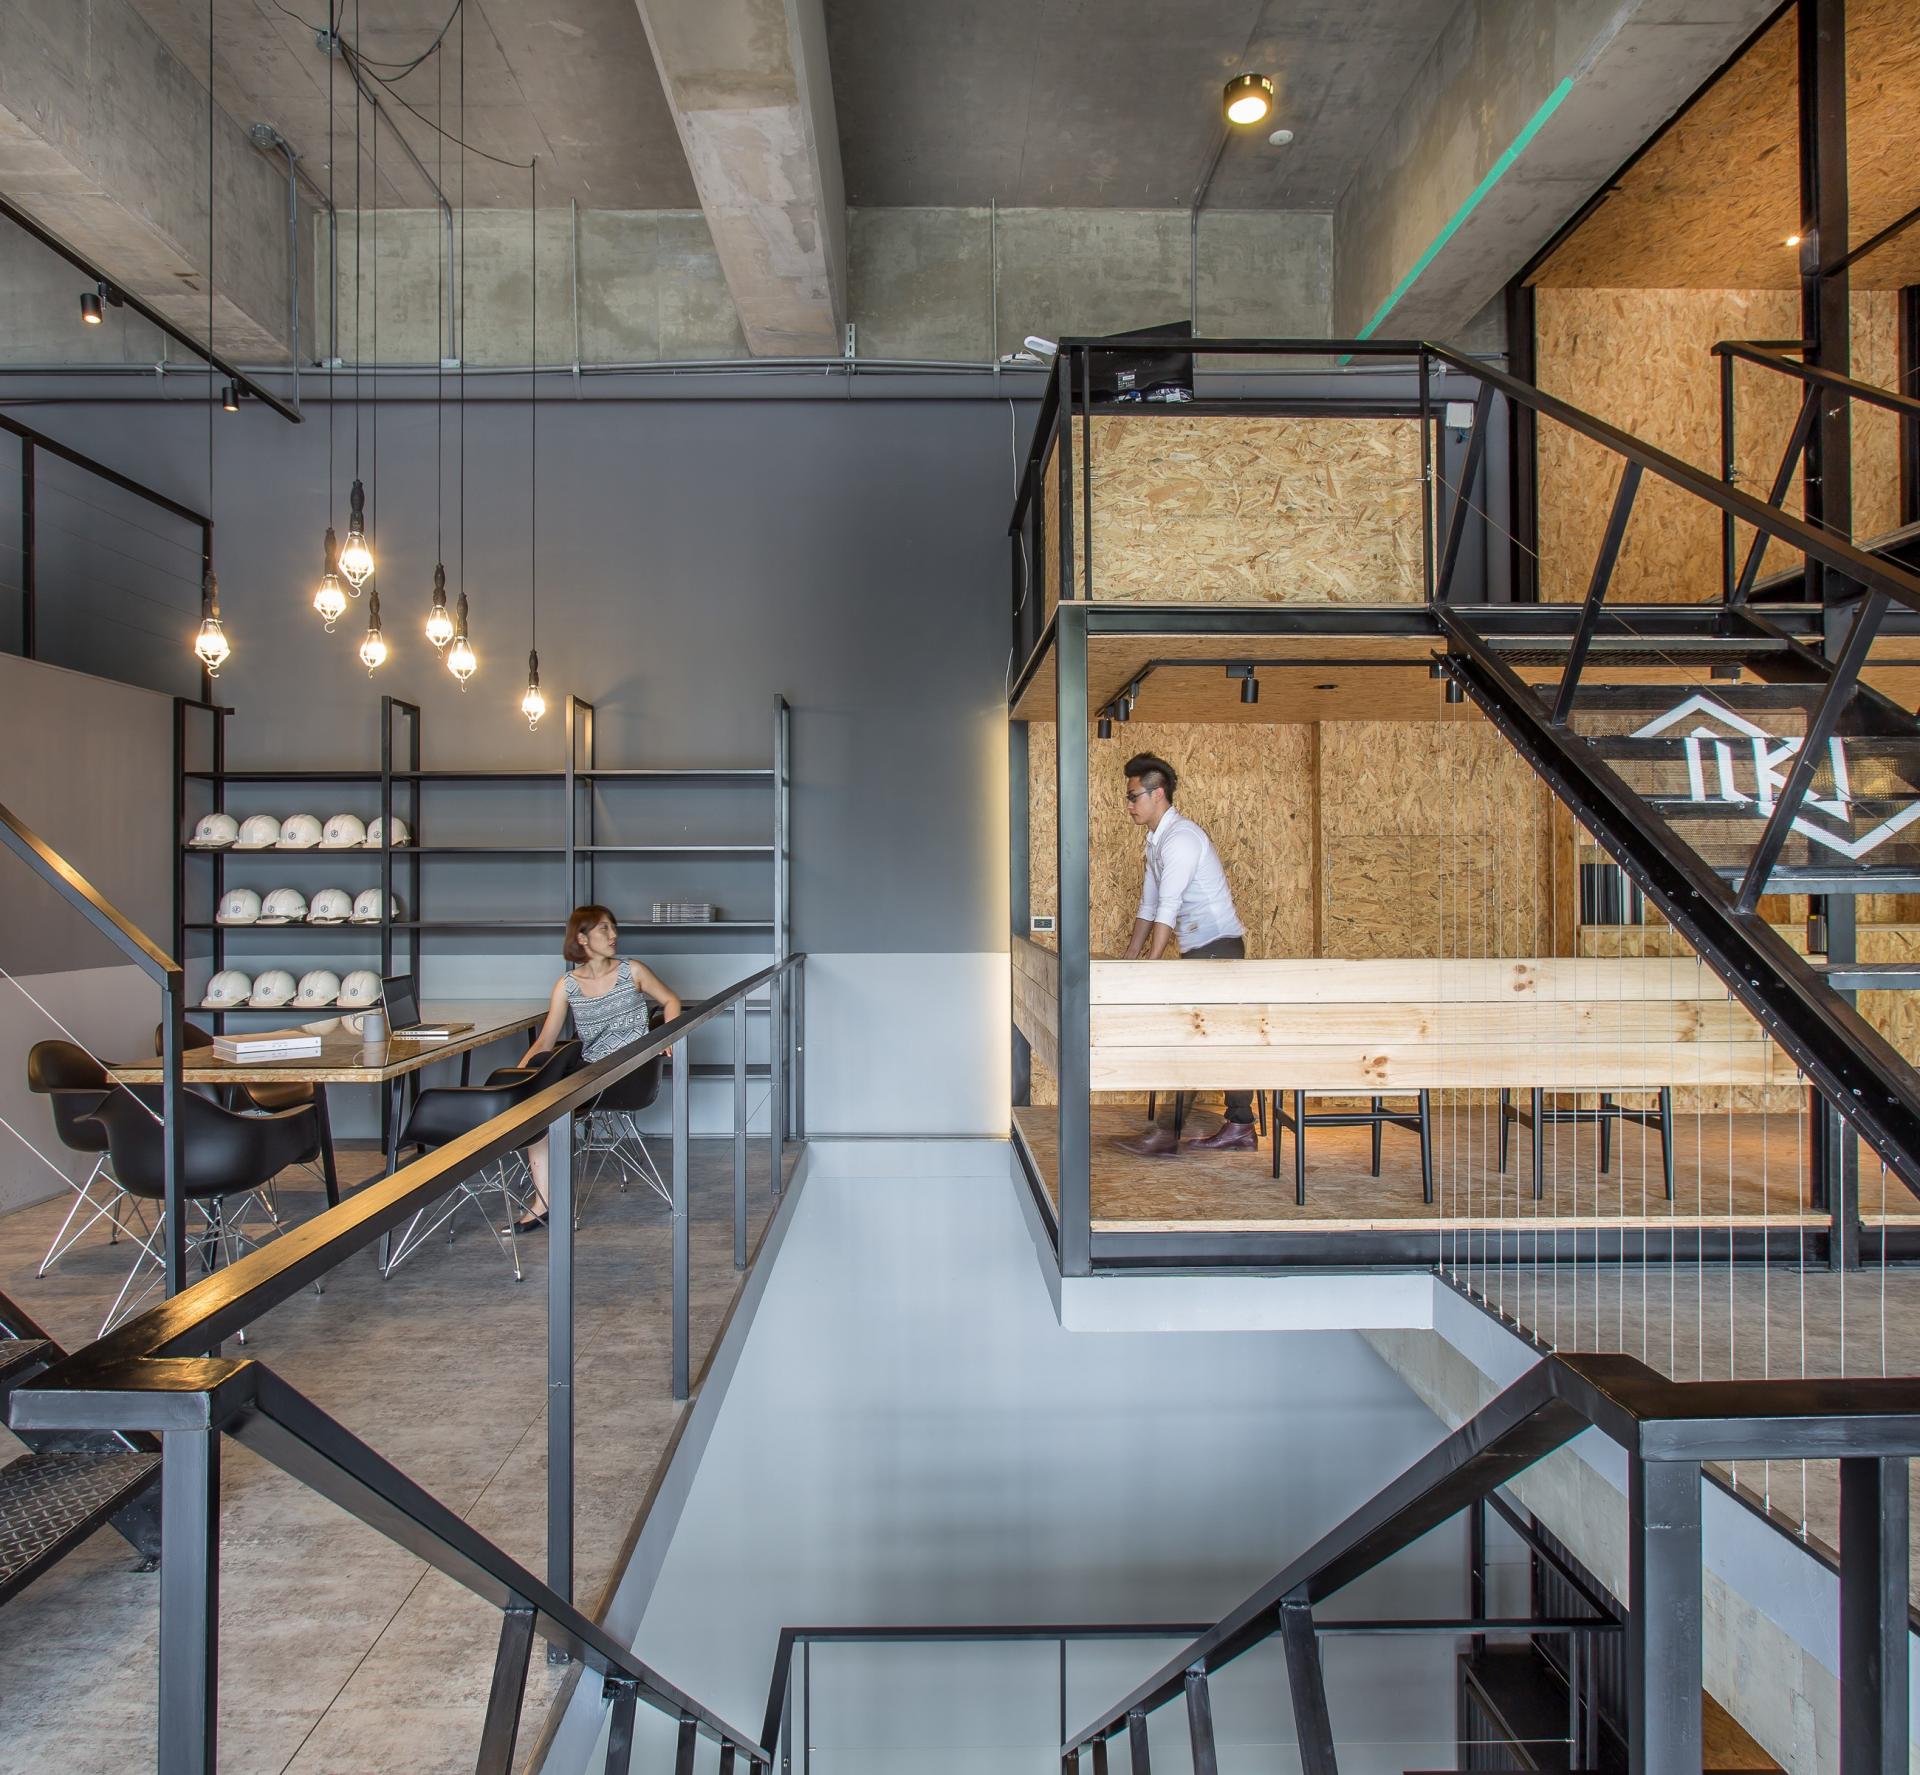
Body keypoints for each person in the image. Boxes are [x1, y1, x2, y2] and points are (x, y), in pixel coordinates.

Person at [1114, 752, 1255, 1158]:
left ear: (1157, 794)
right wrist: (1129, 961)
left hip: (1218, 948)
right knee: (1215, 1039)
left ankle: (1169, 1133)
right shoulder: (1156, 842)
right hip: (1202, 951)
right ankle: (1240, 1125)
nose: (1129, 804)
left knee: (1193, 1040)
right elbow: (1148, 905)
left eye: (1134, 796)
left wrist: (1153, 966)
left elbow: (1168, 906)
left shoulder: (1181, 839)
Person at [517, 904, 682, 1230]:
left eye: (613, 927)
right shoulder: (566, 985)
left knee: (547, 1096)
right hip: (591, 1072)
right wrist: (520, 1075)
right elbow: (546, 1040)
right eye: (604, 928)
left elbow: (671, 1000)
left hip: (632, 1072)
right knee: (534, 1094)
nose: (613, 934)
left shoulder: (632, 971)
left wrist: (670, 1034)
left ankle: (545, 1198)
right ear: (582, 938)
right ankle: (543, 1202)